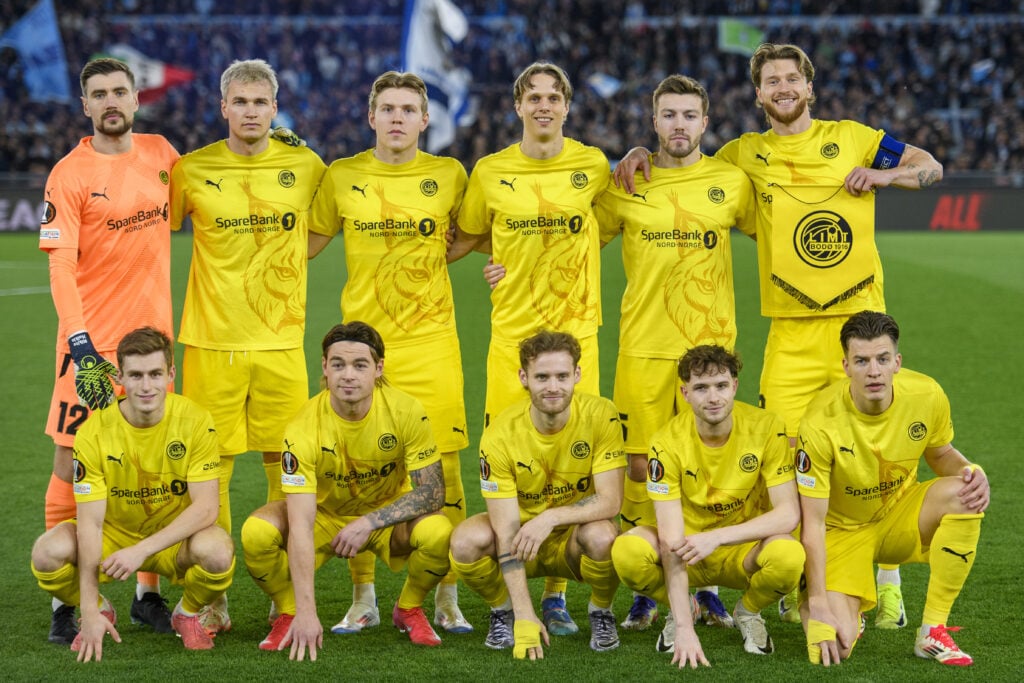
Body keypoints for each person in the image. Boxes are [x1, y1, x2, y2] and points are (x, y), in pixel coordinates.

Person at [615, 42, 944, 627]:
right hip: (790, 335)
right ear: (759, 94)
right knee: (787, 462)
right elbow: (687, 167)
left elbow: (931, 167)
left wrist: (886, 176)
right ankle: (792, 580)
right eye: (772, 81)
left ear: (809, 87)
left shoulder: (855, 136)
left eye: (792, 78)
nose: (783, 87)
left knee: (879, 450)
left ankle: (887, 578)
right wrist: (642, 149)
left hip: (857, 327)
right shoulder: (743, 156)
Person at [448, 61, 611, 634]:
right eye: (533, 97)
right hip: (511, 343)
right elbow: (465, 235)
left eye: (554, 97)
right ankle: (507, 600)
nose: (544, 106)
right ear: (517, 105)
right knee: (511, 466)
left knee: (577, 467)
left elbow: (612, 224)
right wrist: (497, 259)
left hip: (578, 339)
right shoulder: (490, 171)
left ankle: (560, 595)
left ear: (567, 106)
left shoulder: (593, 165)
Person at [308, 71, 471, 635]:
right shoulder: (341, 176)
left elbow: (475, 231)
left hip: (431, 343)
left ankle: (444, 595)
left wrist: (440, 263)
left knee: (444, 468)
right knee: (359, 469)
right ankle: (363, 597)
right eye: (388, 109)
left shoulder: (449, 174)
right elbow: (305, 239)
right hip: (359, 346)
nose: (397, 118)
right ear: (370, 116)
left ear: (426, 120)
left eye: (408, 109)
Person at [169, 59, 327, 632]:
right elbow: (152, 228)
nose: (252, 111)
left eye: (262, 102)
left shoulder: (306, 164)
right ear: (224, 108)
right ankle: (216, 592)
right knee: (212, 471)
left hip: (281, 343)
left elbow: (325, 226)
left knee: (284, 468)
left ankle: (282, 594)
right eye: (241, 102)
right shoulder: (191, 169)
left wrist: (278, 264)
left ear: (276, 107)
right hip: (210, 343)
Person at [595, 74, 755, 632]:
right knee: (640, 465)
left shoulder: (731, 182)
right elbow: (571, 239)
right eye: (669, 115)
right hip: (642, 348)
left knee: (703, 462)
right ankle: (649, 586)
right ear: (654, 120)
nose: (679, 125)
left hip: (709, 354)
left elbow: (781, 231)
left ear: (705, 122)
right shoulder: (626, 184)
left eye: (689, 115)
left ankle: (706, 583)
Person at [37, 57, 179, 644]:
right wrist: (79, 342)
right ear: (86, 106)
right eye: (99, 94)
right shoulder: (68, 174)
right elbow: (60, 265)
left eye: (120, 90)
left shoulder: (164, 154)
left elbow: (213, 203)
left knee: (155, 461)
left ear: (136, 97)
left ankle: (148, 593)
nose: (111, 101)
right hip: (90, 349)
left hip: (154, 348)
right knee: (71, 461)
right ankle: (66, 603)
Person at [241, 321, 452, 658]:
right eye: (338, 364)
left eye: (360, 365)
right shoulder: (302, 427)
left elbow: (432, 493)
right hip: (325, 517)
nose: (348, 375)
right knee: (256, 533)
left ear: (379, 368)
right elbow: (300, 523)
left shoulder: (406, 410)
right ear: (324, 367)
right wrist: (307, 613)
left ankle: (409, 608)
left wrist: (369, 522)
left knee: (439, 532)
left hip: (383, 519)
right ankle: (288, 610)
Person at [29, 327, 235, 661]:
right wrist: (88, 606)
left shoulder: (196, 421)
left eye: (155, 374)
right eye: (135, 375)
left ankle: (187, 612)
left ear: (170, 374)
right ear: (120, 377)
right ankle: (99, 609)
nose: (146, 385)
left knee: (218, 550)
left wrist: (141, 551)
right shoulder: (94, 433)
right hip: (114, 536)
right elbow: (91, 524)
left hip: (170, 542)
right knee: (47, 552)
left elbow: (207, 509)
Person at [797, 311, 989, 667]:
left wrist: (970, 471)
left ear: (897, 362)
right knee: (832, 649)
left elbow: (941, 453)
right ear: (845, 366)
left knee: (966, 494)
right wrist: (820, 602)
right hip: (841, 533)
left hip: (901, 514)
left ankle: (932, 629)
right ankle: (830, 604)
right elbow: (811, 522)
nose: (874, 371)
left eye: (883, 359)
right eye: (862, 361)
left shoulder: (926, 394)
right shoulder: (819, 423)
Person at [611, 344, 802, 666]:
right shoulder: (666, 441)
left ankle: (748, 611)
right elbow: (672, 540)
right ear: (685, 393)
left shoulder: (767, 427)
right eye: (701, 388)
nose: (713, 397)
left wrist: (717, 537)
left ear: (735, 386)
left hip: (743, 550)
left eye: (721, 386)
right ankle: (682, 607)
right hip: (688, 549)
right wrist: (684, 626)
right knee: (626, 553)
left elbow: (788, 514)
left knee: (789, 556)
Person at [449, 330, 626, 659]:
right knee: (464, 541)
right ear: (523, 378)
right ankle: (503, 612)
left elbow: (611, 501)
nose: (553, 387)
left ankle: (601, 611)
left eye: (562, 376)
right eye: (542, 377)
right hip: (521, 539)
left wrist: (551, 517)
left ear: (577, 375)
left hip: (571, 538)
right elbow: (505, 529)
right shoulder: (500, 434)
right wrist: (524, 614)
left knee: (605, 536)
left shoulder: (602, 415)